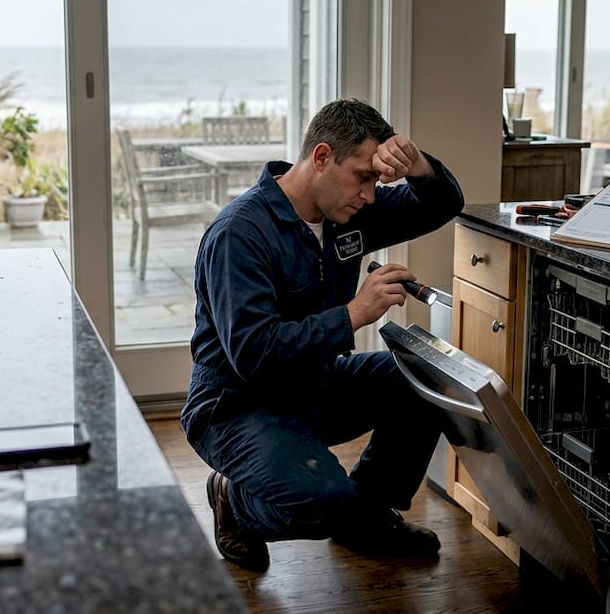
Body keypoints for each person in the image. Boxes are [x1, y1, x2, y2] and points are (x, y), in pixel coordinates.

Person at [181, 98, 466, 572]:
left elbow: (442, 203)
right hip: (236, 405)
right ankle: (233, 500)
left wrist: (415, 162)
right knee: (323, 503)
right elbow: (254, 355)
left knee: (425, 373)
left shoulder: (347, 213)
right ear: (320, 157)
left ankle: (368, 516)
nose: (371, 195)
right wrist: (353, 314)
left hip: (313, 383)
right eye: (362, 176)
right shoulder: (240, 233)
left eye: (376, 180)